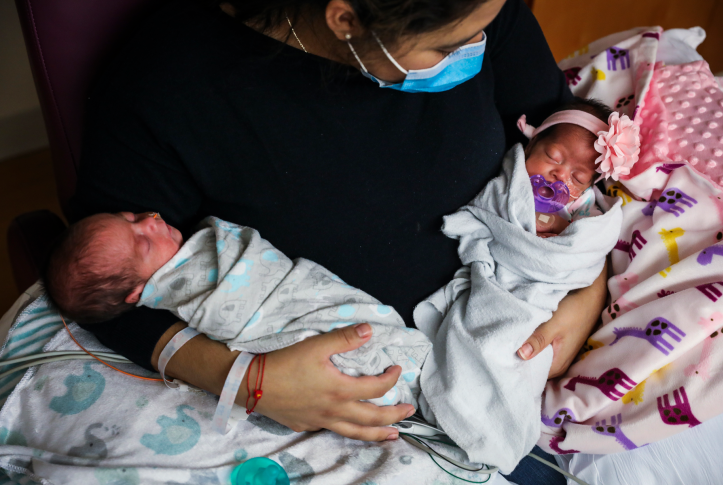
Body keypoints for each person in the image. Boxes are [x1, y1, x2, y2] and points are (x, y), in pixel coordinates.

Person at [72, 0, 608, 481]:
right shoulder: (169, 84)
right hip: (351, 408)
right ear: (345, 19)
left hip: (526, 325)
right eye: (448, 47)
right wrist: (247, 379)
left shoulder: (475, 7)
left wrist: (587, 283)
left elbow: (573, 144)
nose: (476, 50)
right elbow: (107, 287)